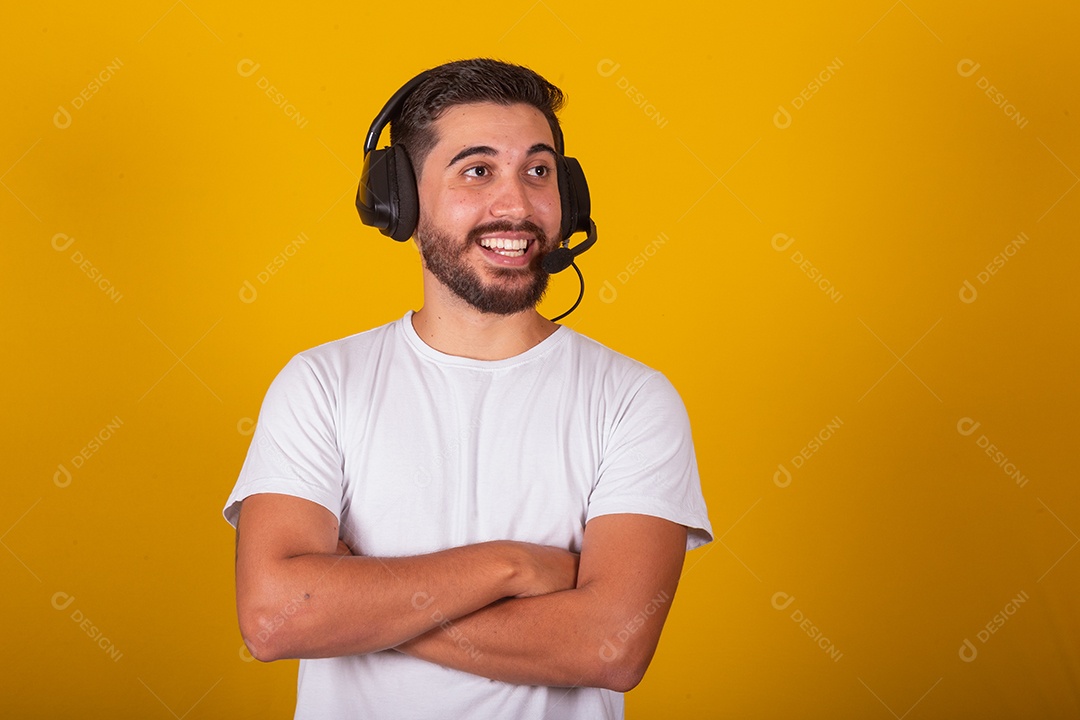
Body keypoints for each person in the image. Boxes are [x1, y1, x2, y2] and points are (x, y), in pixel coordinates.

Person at [223, 58, 712, 720]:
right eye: (477, 171)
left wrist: (353, 605)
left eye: (538, 171)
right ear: (399, 200)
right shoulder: (320, 385)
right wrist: (509, 568)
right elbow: (276, 618)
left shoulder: (634, 400)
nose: (515, 204)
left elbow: (611, 647)